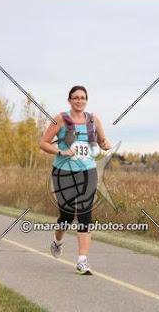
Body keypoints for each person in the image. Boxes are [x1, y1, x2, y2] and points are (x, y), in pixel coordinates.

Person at [40, 85, 111, 275]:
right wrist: (61, 151)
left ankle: (82, 260)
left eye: (82, 97)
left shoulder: (93, 119)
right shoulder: (60, 119)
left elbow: (103, 141)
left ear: (86, 100)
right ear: (69, 100)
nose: (79, 100)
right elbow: (43, 142)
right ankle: (57, 241)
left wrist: (106, 144)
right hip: (63, 171)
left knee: (86, 214)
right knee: (67, 215)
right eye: (75, 97)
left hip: (88, 171)